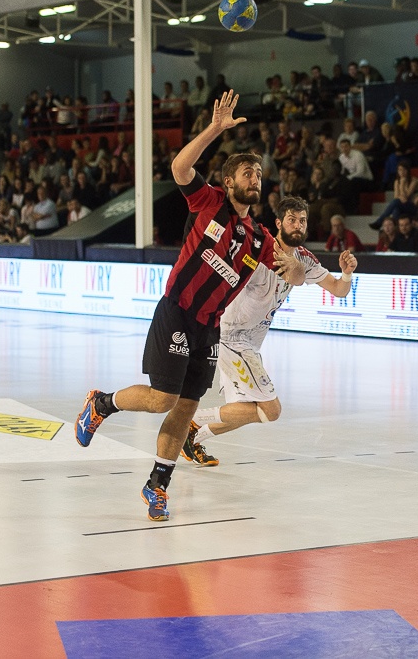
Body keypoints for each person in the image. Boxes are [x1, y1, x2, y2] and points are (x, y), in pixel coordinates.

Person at [73, 91, 305, 521]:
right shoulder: (210, 201)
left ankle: (157, 485)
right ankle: (102, 403)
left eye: (259, 173)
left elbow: (292, 273)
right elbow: (180, 168)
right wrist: (215, 129)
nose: (255, 178)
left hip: (210, 328)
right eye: (247, 172)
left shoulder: (259, 238)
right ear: (229, 181)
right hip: (177, 311)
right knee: (163, 399)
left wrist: (298, 268)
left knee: (186, 408)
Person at [184, 197, 358, 465]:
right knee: (271, 410)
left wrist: (346, 273)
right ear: (279, 223)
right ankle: (189, 420)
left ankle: (193, 438)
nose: (298, 225)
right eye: (292, 220)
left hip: (251, 343)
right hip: (231, 337)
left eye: (302, 221)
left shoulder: (304, 259)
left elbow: (339, 290)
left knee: (245, 411)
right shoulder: (260, 251)